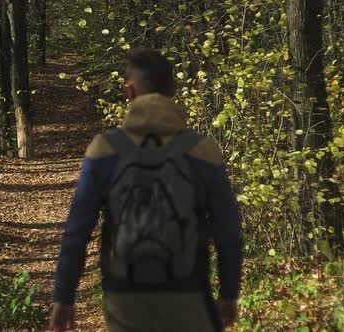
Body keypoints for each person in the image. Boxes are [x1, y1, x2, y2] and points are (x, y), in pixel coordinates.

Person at [50, 49, 243, 332]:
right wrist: (229, 293)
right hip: (187, 294)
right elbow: (228, 233)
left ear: (130, 92)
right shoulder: (203, 150)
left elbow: (77, 232)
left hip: (124, 297)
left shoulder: (105, 148)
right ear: (174, 90)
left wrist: (64, 296)